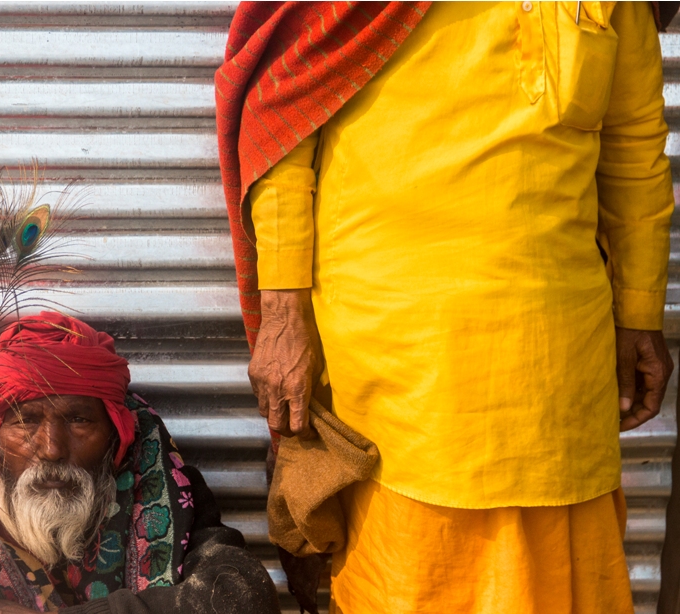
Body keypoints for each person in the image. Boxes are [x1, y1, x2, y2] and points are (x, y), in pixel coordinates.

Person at [216, 2, 676, 612]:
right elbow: (286, 136)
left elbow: (634, 155)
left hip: (557, 374)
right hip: (399, 388)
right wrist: (282, 315)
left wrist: (641, 313)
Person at [0, 312, 280, 614]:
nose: (52, 448)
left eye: (78, 421)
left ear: (115, 433)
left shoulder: (158, 482)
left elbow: (243, 595)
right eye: (25, 421)